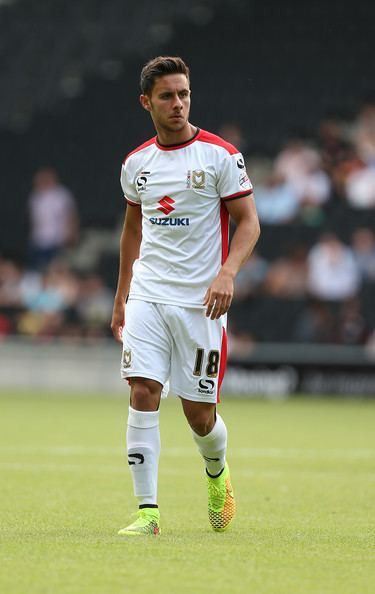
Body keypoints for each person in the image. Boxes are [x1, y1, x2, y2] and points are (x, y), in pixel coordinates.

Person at [111, 56, 260, 536]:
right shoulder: (137, 164)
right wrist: (122, 297)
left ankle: (216, 471)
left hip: (201, 302)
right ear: (145, 103)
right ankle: (148, 514)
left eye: (184, 94)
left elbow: (250, 223)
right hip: (149, 295)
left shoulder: (219, 155)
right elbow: (132, 232)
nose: (178, 104)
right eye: (167, 96)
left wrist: (228, 272)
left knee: (199, 417)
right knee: (142, 390)